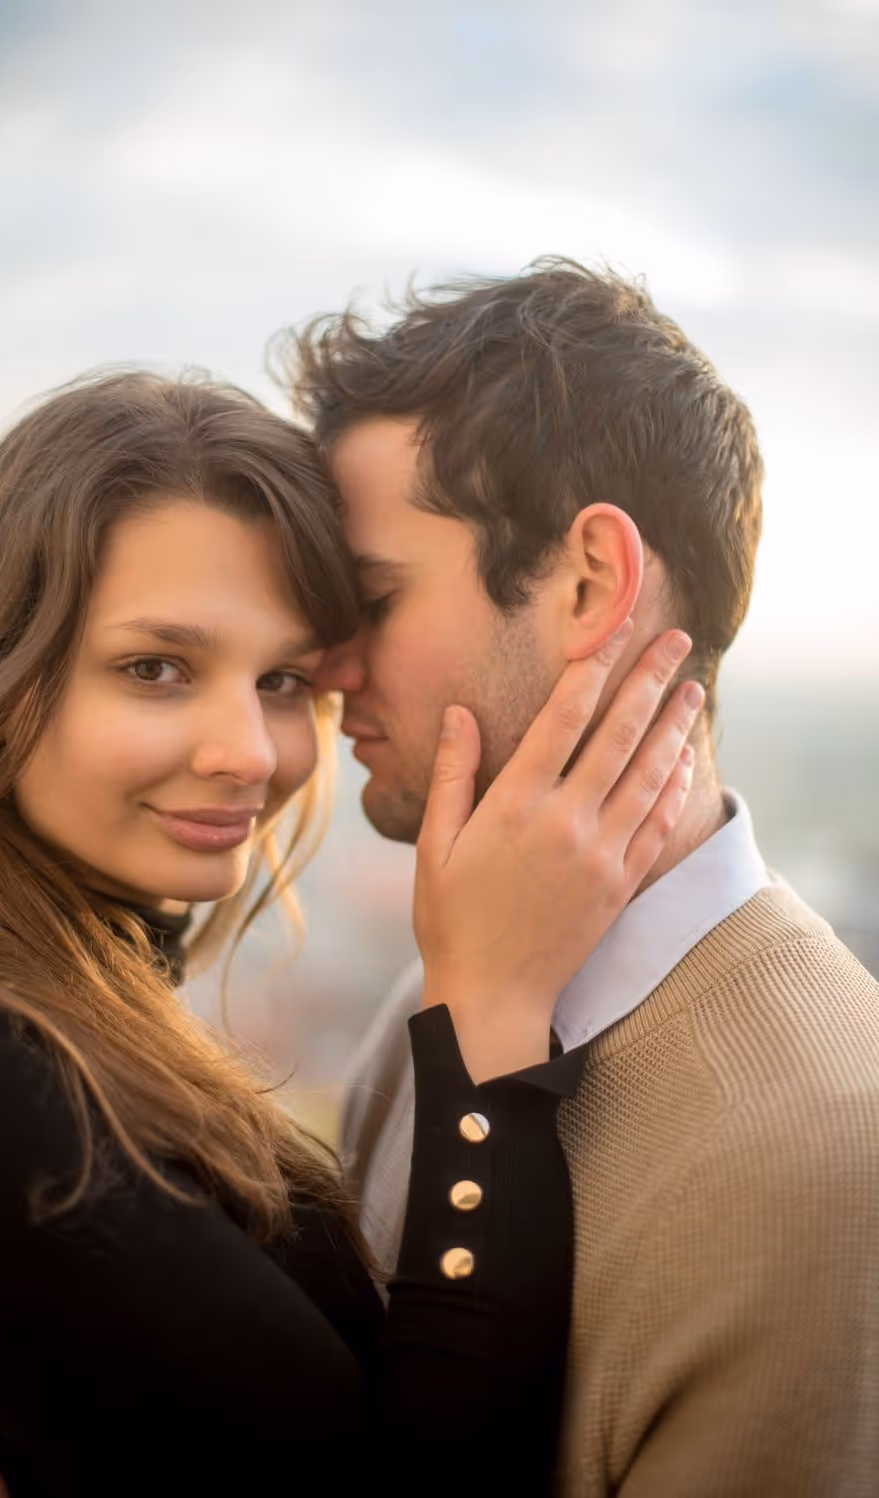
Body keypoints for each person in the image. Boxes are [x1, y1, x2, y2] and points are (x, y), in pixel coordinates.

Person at [0, 370, 701, 1497]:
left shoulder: (45, 1013)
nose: (251, 752)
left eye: (280, 679)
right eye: (155, 668)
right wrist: (487, 1029)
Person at [282, 259, 879, 1494]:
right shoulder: (432, 1005)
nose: (330, 664)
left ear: (589, 582)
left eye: (373, 597)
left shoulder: (828, 1164)